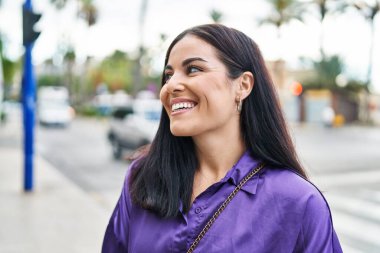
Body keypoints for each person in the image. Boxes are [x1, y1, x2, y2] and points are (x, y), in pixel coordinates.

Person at [102, 24, 343, 253]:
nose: (171, 85)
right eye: (168, 74)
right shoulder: (141, 178)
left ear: (243, 85)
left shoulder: (299, 202)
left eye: (193, 69)